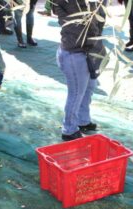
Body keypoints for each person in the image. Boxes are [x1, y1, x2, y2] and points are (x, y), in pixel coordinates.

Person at [54, 0, 105, 141]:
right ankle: (69, 130)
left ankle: (83, 121)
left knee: (89, 87)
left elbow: (99, 19)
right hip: (74, 53)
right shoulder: (64, 2)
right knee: (76, 93)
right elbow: (78, 26)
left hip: (89, 51)